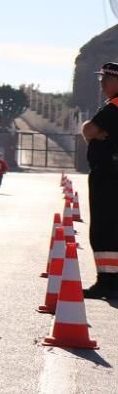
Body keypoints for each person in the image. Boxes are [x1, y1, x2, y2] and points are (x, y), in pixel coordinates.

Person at [79, 62, 118, 299]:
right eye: (100, 79)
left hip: (109, 175)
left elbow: (89, 130)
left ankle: (106, 281)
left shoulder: (114, 106)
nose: (102, 83)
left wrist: (92, 131)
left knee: (104, 229)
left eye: (106, 79)